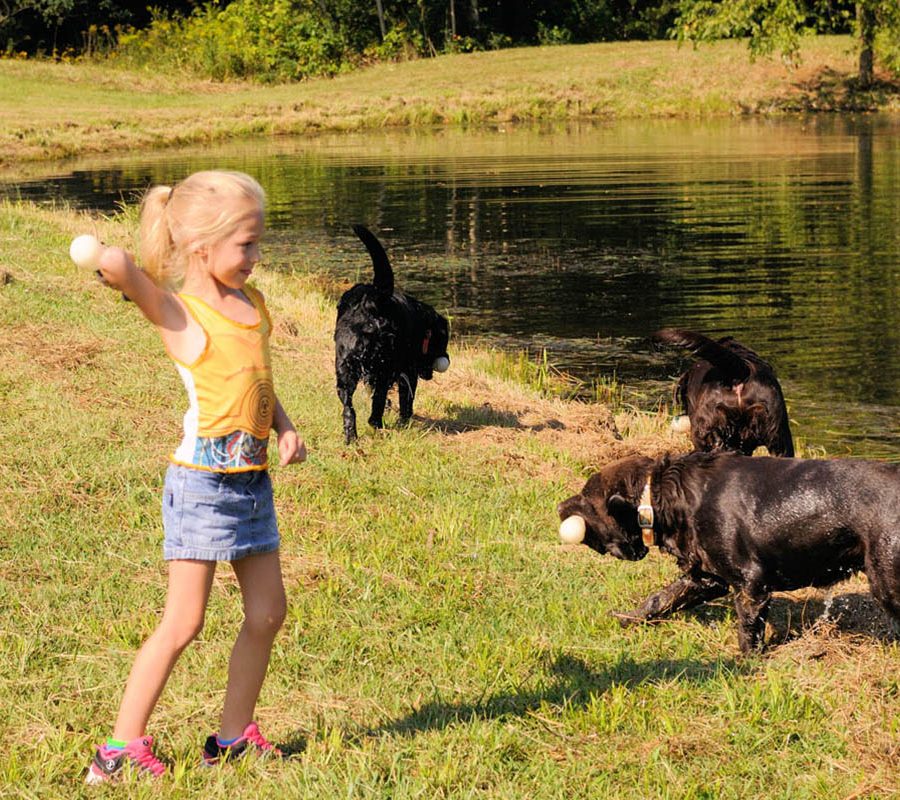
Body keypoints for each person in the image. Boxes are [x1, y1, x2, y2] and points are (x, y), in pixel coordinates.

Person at [84, 170, 306, 784]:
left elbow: (258, 379)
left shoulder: (252, 306)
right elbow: (130, 275)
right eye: (247, 245)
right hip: (203, 490)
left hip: (252, 485)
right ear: (203, 247)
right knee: (184, 622)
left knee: (267, 612)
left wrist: (283, 426)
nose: (257, 258)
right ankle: (121, 747)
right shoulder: (181, 315)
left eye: (259, 243)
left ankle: (233, 736)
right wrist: (113, 262)